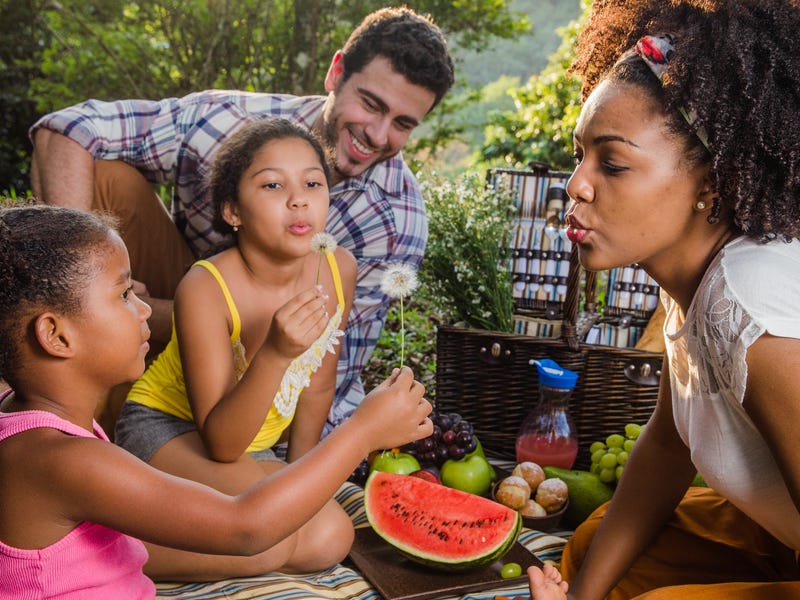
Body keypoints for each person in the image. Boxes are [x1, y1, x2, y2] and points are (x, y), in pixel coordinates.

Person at [27, 6, 455, 434]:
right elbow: (66, 130)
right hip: (169, 315)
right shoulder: (223, 122)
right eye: (370, 104)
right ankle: (64, 424)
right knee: (107, 179)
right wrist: (90, 292)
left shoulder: (395, 222)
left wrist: (147, 315)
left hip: (258, 385)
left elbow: (317, 375)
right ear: (336, 73)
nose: (378, 136)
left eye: (401, 124)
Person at [0, 202, 432, 596]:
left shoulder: (29, 422)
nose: (146, 308)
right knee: (266, 545)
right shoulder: (62, 459)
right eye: (124, 294)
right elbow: (246, 528)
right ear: (56, 335)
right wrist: (361, 432)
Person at [525, 0, 800, 598]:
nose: (576, 184)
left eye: (614, 163)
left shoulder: (749, 304)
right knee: (589, 547)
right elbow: (667, 451)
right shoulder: (691, 288)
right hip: (782, 538)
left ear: (711, 184)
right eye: (580, 155)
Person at [112, 117, 359, 580]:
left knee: (328, 535)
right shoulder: (206, 287)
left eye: (312, 182)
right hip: (171, 430)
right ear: (233, 212)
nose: (298, 198)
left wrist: (301, 477)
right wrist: (276, 352)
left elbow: (319, 386)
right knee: (288, 536)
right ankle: (107, 548)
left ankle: (185, 532)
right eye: (272, 185)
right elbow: (222, 444)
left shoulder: (338, 268)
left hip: (256, 448)